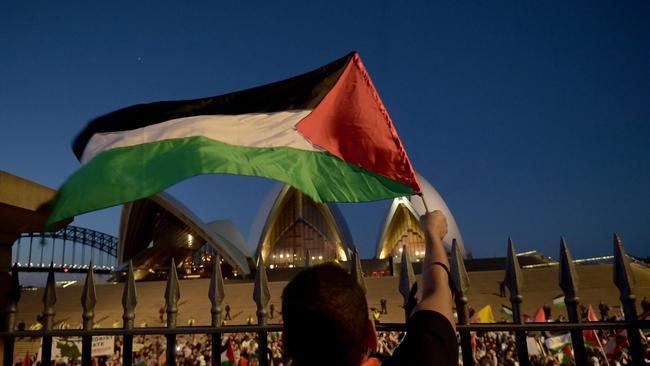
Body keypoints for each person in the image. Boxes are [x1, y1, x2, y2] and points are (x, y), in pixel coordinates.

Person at [281, 210, 457, 366]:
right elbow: (438, 288)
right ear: (371, 334)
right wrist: (432, 232)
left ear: (285, 344)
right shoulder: (428, 358)